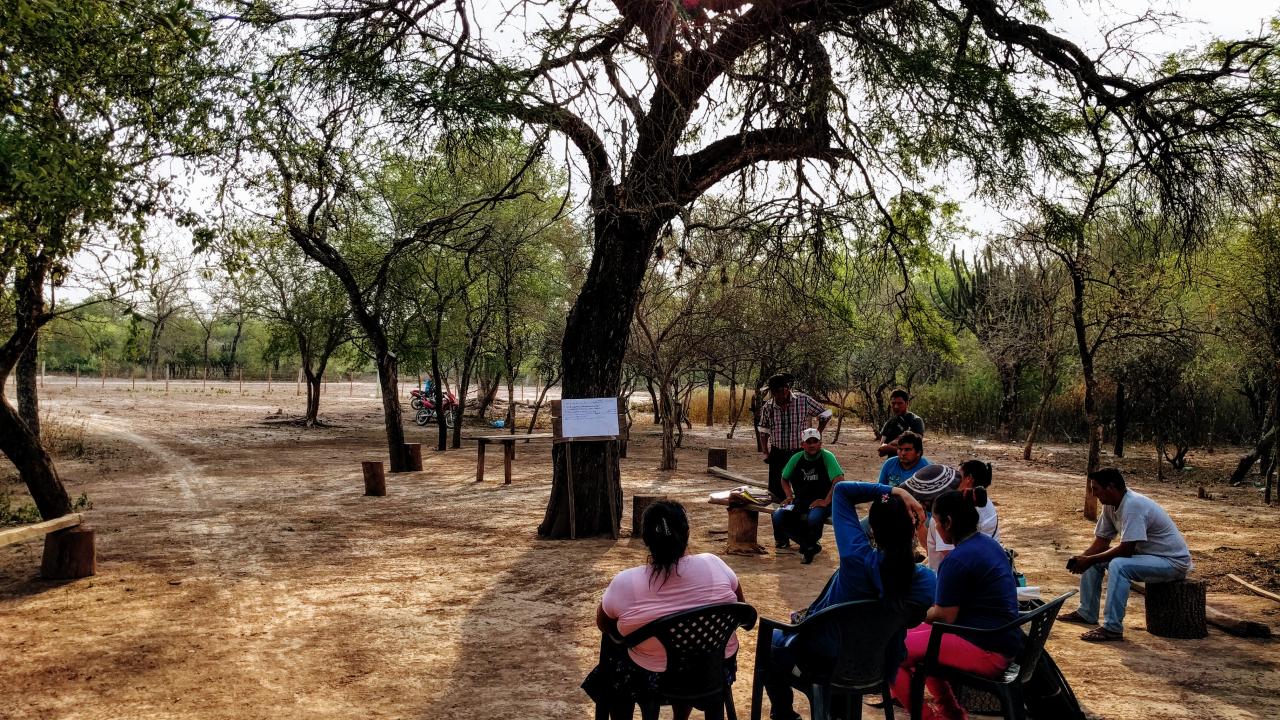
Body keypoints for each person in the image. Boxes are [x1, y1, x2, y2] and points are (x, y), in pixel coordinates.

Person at [763, 481, 936, 720]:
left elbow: (842, 490)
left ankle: (784, 714)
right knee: (847, 637)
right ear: (913, 528)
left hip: (824, 664)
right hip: (880, 666)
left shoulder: (856, 557)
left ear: (872, 529)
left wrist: (895, 491)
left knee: (772, 638)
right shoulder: (927, 581)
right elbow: (912, 619)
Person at [583, 501, 746, 720]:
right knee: (688, 645)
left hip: (655, 677)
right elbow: (742, 611)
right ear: (686, 534)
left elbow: (604, 625)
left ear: (646, 540)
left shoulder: (625, 582)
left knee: (613, 656)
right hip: (714, 670)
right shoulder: (714, 564)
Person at [893, 490, 1022, 720]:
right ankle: (951, 713)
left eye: (936, 521)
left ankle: (927, 717)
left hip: (987, 650)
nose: (935, 526)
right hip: (1000, 639)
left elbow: (944, 617)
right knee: (912, 637)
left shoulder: (956, 560)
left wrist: (917, 611)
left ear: (948, 522)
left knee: (890, 651)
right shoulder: (988, 544)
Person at [1058, 467, 1192, 642]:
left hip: (1172, 563)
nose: (1093, 494)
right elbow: (1101, 543)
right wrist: (1081, 559)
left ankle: (1112, 628)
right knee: (1095, 562)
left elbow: (1126, 550)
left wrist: (1088, 559)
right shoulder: (1110, 505)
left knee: (1118, 565)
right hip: (1148, 558)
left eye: (1096, 489)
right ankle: (1087, 613)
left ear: (1111, 487)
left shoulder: (1133, 506)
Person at [771, 428, 844, 564]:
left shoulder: (827, 456)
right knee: (778, 516)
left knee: (814, 518)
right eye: (808, 442)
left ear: (820, 443)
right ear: (802, 444)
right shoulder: (796, 458)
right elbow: (784, 478)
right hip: (800, 501)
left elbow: (839, 479)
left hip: (821, 502)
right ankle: (809, 545)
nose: (812, 445)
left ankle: (808, 547)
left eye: (815, 441)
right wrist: (789, 496)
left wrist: (826, 500)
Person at [757, 373, 833, 501]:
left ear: (786, 389)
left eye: (779, 391)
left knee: (802, 488)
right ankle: (779, 517)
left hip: (799, 452)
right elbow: (763, 430)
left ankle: (801, 517)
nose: (777, 395)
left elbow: (825, 414)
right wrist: (765, 452)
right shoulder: (768, 407)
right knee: (776, 491)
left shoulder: (803, 400)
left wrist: (817, 434)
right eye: (774, 392)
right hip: (777, 453)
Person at [924, 460, 999, 571]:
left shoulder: (955, 510)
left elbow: (950, 554)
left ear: (969, 479)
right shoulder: (985, 503)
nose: (955, 480)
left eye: (959, 476)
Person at [877, 388, 926, 457]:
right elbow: (881, 451)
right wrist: (890, 446)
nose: (896, 406)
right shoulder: (890, 422)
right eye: (893, 403)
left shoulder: (915, 420)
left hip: (911, 464)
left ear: (907, 403)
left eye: (900, 403)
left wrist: (891, 447)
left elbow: (916, 448)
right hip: (893, 463)